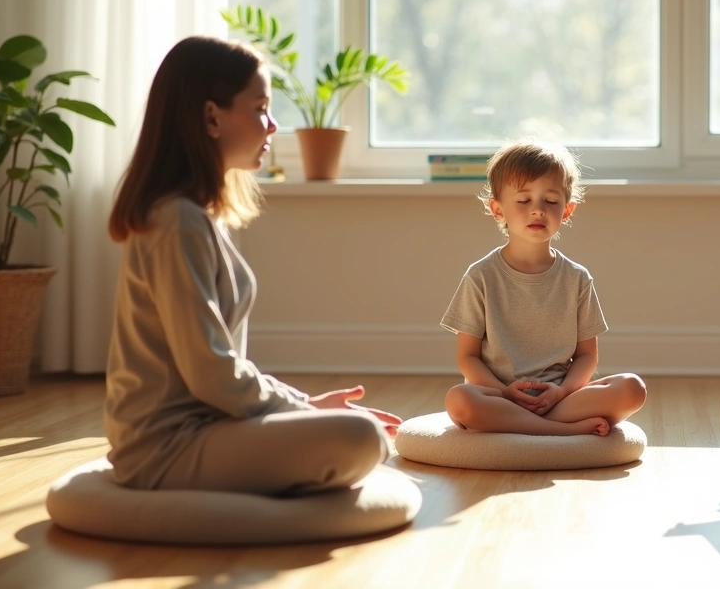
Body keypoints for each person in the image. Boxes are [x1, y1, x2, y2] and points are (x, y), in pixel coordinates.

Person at [104, 35, 401, 495]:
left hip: (208, 426)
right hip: (164, 448)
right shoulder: (176, 222)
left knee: (360, 436)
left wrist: (306, 405)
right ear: (211, 117)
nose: (273, 125)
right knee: (360, 438)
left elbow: (217, 371)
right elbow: (213, 372)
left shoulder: (196, 217)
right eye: (260, 108)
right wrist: (304, 412)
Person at [440, 140, 647, 436]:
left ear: (567, 211)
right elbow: (467, 357)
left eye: (550, 201)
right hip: (500, 398)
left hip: (560, 399)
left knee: (631, 388)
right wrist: (505, 392)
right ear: (498, 209)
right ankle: (561, 432)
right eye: (524, 201)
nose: (537, 210)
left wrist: (561, 393)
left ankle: (536, 425)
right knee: (459, 400)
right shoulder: (480, 276)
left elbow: (587, 356)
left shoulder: (577, 278)